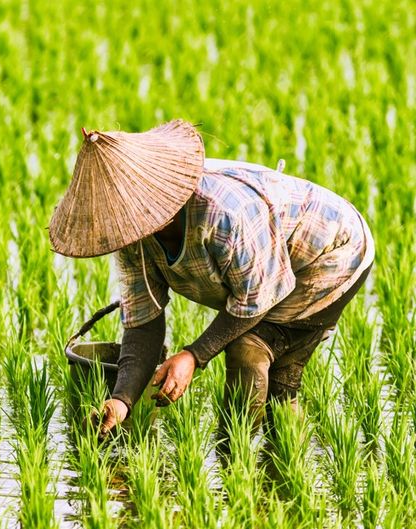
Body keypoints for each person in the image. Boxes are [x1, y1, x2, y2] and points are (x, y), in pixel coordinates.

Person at [48, 120, 374, 444]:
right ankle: (277, 468)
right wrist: (122, 400)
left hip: (333, 252)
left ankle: (235, 460)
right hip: (272, 267)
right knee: (278, 386)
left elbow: (254, 300)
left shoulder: (223, 215)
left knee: (249, 349)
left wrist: (192, 355)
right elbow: (144, 324)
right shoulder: (134, 240)